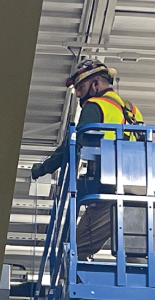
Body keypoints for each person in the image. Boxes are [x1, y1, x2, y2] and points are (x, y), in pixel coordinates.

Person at [30, 60, 145, 259]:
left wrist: (42, 168)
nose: (78, 95)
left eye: (81, 88)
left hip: (108, 188)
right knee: (137, 255)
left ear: (96, 84)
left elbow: (73, 144)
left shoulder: (96, 105)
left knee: (75, 252)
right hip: (139, 191)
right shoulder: (132, 110)